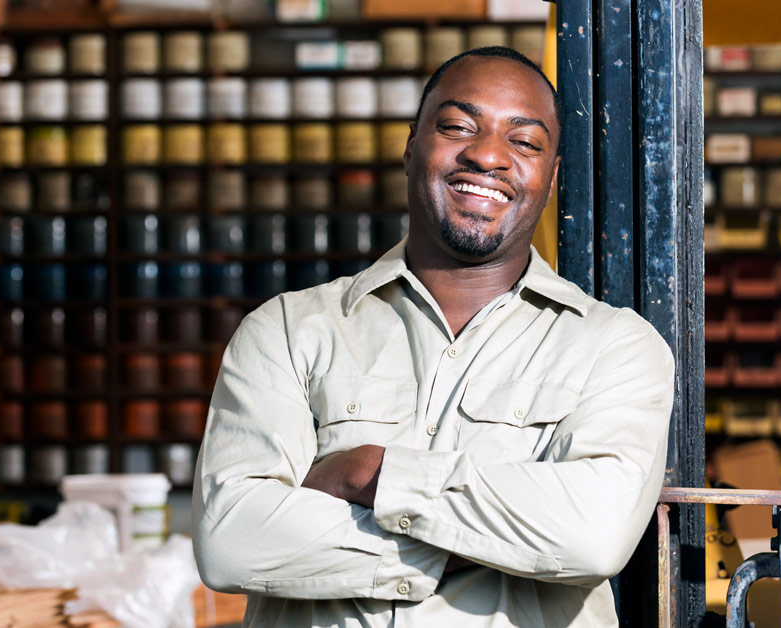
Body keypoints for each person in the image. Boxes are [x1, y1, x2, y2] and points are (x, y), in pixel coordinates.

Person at [192, 46, 675, 627]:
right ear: (411, 147)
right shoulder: (289, 331)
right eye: (457, 127)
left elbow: (592, 538)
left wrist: (369, 473)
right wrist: (480, 548)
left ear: (549, 181)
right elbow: (232, 542)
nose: (488, 155)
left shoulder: (616, 348)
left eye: (524, 142)